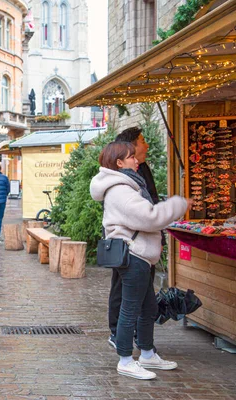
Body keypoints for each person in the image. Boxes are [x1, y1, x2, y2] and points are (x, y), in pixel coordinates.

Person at [90, 142, 191, 380]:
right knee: (131, 308)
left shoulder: (126, 186)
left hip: (140, 255)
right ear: (119, 163)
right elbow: (150, 217)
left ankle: (147, 353)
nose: (137, 161)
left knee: (148, 307)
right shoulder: (121, 190)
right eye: (132, 157)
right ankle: (125, 359)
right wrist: (179, 204)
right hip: (134, 255)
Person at [109, 127, 164, 350]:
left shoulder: (140, 171)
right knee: (127, 300)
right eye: (142, 141)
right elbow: (140, 213)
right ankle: (122, 345)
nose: (147, 145)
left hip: (144, 248)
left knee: (146, 303)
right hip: (132, 248)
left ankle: (146, 349)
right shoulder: (121, 183)